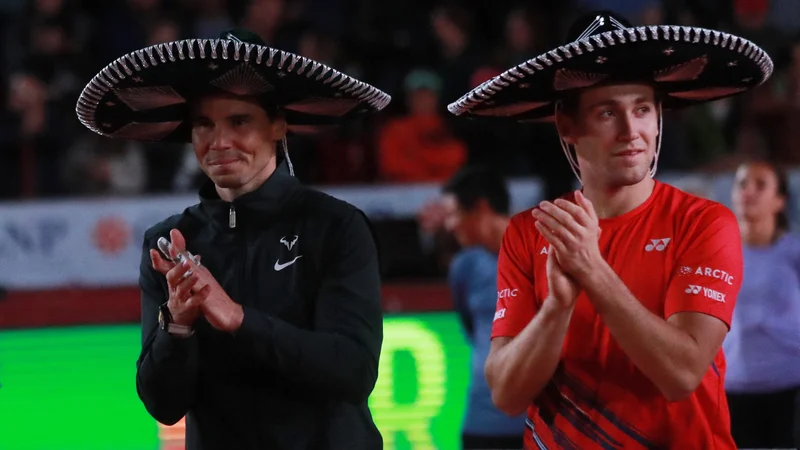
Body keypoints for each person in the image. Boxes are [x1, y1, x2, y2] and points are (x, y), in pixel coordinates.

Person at [447, 10, 774, 449]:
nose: (631, 131)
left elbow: (681, 374)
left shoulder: (704, 223)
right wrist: (557, 308)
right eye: (607, 112)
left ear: (658, 118)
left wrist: (592, 271)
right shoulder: (529, 231)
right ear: (568, 125)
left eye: (642, 109)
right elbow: (506, 394)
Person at [74, 29, 391, 449]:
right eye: (204, 124)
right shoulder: (169, 243)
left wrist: (239, 319)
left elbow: (354, 371)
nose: (218, 142)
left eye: (239, 121)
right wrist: (178, 325)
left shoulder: (336, 225)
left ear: (278, 126)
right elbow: (163, 405)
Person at [419, 166, 526, 449]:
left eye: (454, 213)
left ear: (480, 207)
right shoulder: (464, 266)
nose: (450, 224)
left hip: (538, 424)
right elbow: (471, 331)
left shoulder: (545, 255)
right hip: (481, 423)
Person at [724, 160, 800, 449]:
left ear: (779, 201)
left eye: (760, 185)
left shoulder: (794, 253)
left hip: (790, 392)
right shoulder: (715, 254)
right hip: (733, 390)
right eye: (742, 184)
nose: (748, 191)